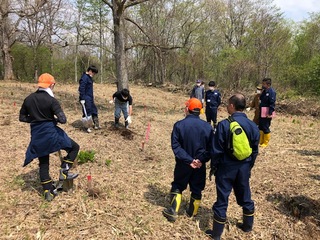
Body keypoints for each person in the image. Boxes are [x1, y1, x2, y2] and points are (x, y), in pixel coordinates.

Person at [206, 94, 259, 239]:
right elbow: (255, 151)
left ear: (232, 106)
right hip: (244, 167)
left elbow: (216, 150)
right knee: (245, 196)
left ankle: (216, 234)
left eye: (228, 104)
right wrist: (249, 166)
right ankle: (247, 226)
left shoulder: (224, 125)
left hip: (226, 168)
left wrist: (214, 167)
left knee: (222, 199)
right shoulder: (253, 126)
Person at [19, 73, 80, 202]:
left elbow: (22, 117)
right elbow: (63, 119)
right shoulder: (51, 100)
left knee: (43, 163)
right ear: (51, 85)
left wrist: (35, 119)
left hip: (37, 135)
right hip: (51, 134)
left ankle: (48, 192)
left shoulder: (28, 99)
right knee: (74, 147)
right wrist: (52, 119)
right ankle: (65, 169)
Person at [162, 98, 213, 222]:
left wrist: (189, 160)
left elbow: (176, 146)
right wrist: (200, 160)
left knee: (178, 185)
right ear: (200, 111)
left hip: (183, 164)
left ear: (187, 109)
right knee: (197, 188)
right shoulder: (208, 127)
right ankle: (192, 212)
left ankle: (173, 211)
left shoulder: (179, 125)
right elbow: (211, 148)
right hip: (200, 165)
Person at [78, 65, 99, 133]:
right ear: (90, 71)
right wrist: (82, 98)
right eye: (93, 73)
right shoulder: (84, 78)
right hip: (86, 98)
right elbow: (81, 88)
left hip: (90, 97)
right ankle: (87, 127)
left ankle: (96, 124)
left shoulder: (89, 78)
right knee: (87, 111)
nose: (94, 75)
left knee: (94, 110)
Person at [259, 78, 276, 147]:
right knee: (261, 126)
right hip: (262, 110)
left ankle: (265, 142)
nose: (262, 85)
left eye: (264, 84)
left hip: (267, 111)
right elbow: (260, 99)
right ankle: (261, 140)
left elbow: (272, 103)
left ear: (268, 84)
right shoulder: (264, 91)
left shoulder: (272, 92)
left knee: (265, 126)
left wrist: (270, 113)